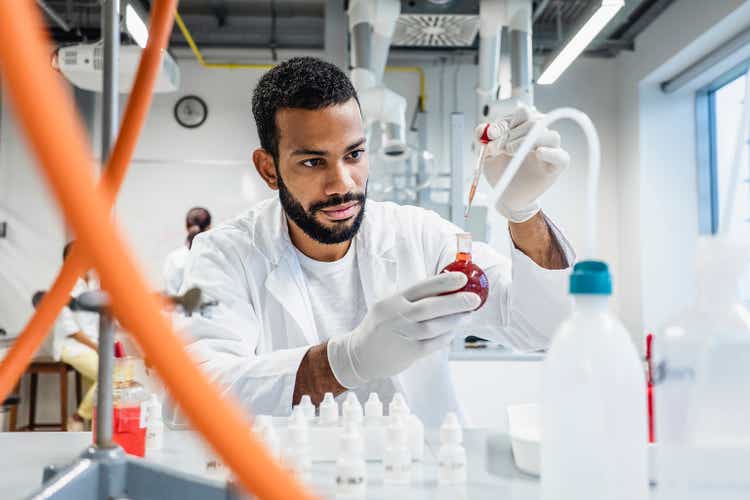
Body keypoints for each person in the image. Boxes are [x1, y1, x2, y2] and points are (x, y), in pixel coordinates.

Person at [180, 57, 574, 426]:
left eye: (354, 155)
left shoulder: (419, 235)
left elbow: (543, 327)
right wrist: (345, 361)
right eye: (313, 162)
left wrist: (525, 212)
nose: (342, 183)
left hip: (422, 475)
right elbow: (192, 395)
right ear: (269, 169)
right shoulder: (225, 254)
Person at [41, 241, 100, 431]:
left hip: (91, 345)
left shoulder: (91, 284)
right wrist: (97, 347)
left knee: (98, 383)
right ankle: (78, 417)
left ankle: (95, 430)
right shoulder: (64, 286)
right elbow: (71, 330)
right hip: (71, 346)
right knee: (110, 374)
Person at [162, 207, 211, 296]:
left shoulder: (174, 258)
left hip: (181, 308)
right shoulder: (216, 256)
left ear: (186, 227)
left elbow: (171, 292)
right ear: (209, 227)